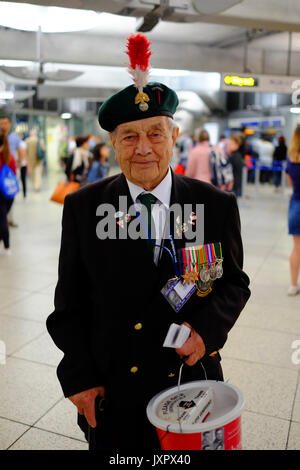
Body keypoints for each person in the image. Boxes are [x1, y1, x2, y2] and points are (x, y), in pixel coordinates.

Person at [46, 33, 250, 450]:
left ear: (174, 137)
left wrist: (205, 331)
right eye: (129, 136)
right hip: (114, 388)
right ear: (113, 144)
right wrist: (79, 379)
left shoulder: (215, 205)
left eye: (155, 134)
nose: (143, 149)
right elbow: (68, 306)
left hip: (191, 381)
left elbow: (234, 283)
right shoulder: (84, 208)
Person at [285, 125, 300, 296]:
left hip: (296, 204)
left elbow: (291, 183)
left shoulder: (292, 157)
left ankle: (293, 285)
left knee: (297, 248)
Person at [0, 116, 21, 227]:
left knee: (10, 193)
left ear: (9, 124)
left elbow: (19, 151)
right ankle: (3, 218)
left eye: (5, 123)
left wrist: (19, 165)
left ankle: (10, 219)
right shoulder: (0, 137)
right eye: (1, 123)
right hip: (1, 170)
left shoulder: (14, 137)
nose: (3, 125)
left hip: (11, 170)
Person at [0, 133, 16, 254]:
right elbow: (14, 174)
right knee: (3, 217)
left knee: (2, 219)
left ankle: (7, 246)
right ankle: (6, 246)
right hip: (9, 193)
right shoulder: (9, 156)